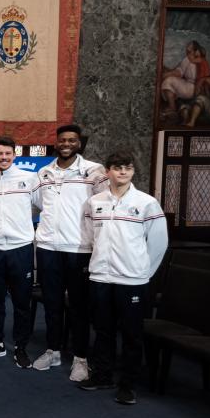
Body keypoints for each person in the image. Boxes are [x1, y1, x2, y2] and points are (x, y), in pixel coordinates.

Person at [78, 151, 168, 405]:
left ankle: (128, 384)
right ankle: (103, 375)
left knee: (131, 334)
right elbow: (88, 236)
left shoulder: (146, 202)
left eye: (128, 168)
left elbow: (159, 243)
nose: (123, 172)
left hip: (132, 281)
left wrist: (143, 272)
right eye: (117, 168)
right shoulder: (94, 202)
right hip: (100, 278)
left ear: (133, 171)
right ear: (107, 171)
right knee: (103, 330)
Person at [30, 124, 107, 381]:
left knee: (79, 307)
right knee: (52, 304)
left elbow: (104, 207)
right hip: (49, 247)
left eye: (72, 140)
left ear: (79, 143)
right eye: (62, 140)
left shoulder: (94, 171)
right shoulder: (43, 172)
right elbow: (39, 205)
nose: (66, 144)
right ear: (56, 143)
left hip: (79, 248)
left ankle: (80, 358)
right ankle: (52, 350)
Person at [0, 136, 38, 368]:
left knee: (22, 302)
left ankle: (20, 347)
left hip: (20, 248)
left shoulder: (29, 179)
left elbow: (37, 206)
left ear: (15, 155)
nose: (3, 157)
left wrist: (19, 224)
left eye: (8, 154)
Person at [160, 41, 199, 118]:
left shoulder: (188, 59)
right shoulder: (198, 59)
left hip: (190, 88)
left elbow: (179, 72)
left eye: (189, 48)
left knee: (168, 80)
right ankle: (173, 107)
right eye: (187, 47)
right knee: (171, 79)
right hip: (192, 87)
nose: (187, 49)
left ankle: (172, 107)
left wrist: (167, 74)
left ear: (194, 50)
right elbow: (180, 71)